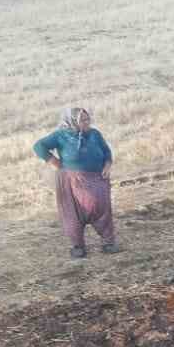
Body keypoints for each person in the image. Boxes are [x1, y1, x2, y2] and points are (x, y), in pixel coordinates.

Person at [32, 107, 119, 259]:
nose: (87, 122)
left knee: (101, 207)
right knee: (73, 213)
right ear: (72, 122)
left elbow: (106, 151)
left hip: (97, 178)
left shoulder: (94, 134)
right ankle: (77, 246)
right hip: (72, 181)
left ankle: (108, 243)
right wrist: (55, 162)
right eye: (82, 120)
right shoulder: (61, 136)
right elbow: (39, 146)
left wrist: (107, 164)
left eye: (87, 119)